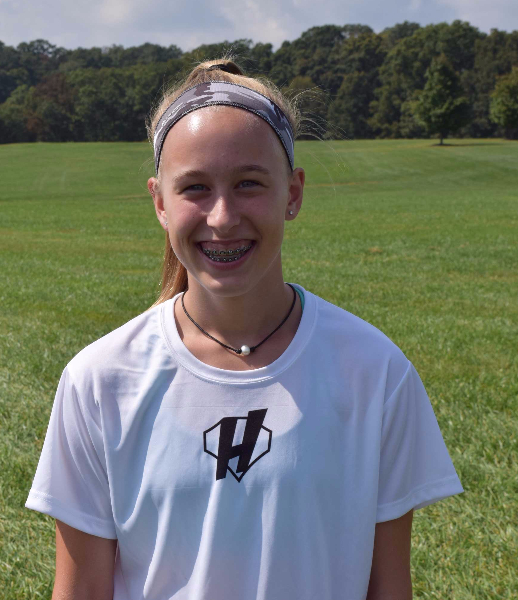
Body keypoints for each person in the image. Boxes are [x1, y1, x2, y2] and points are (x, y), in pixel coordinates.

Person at [25, 59, 464, 600]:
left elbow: (389, 585)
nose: (223, 217)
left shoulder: (374, 371)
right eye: (195, 188)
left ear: (293, 193)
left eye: (248, 184)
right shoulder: (100, 379)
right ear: (160, 203)